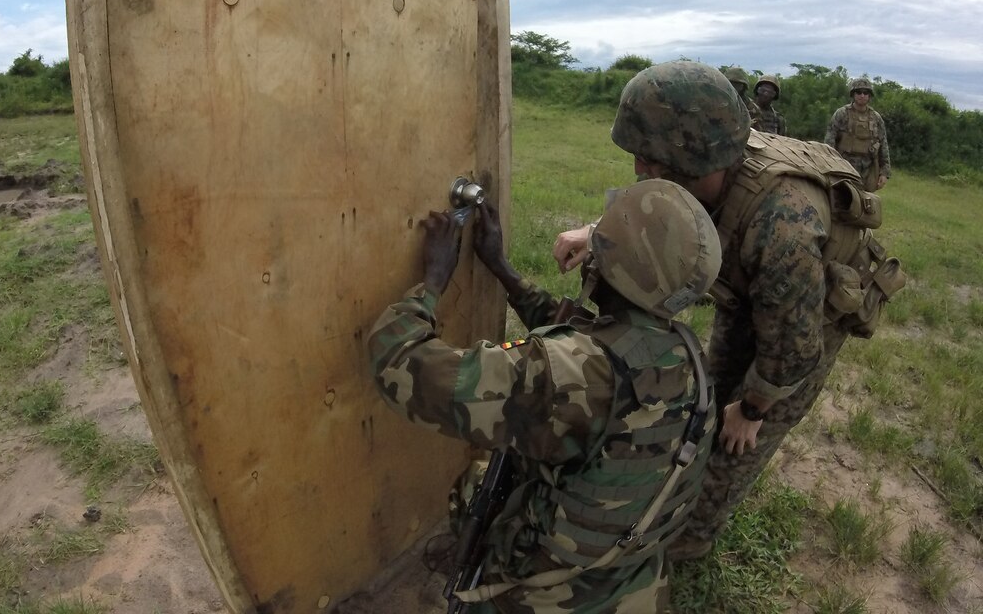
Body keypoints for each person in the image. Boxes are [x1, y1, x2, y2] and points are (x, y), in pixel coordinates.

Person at [551, 61, 894, 562]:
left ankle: (691, 540)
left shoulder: (783, 225)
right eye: (639, 156)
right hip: (749, 288)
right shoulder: (708, 162)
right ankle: (677, 496)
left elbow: (793, 349)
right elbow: (666, 202)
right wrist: (597, 230)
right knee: (710, 399)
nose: (640, 171)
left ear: (698, 155)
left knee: (738, 442)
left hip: (812, 316)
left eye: (652, 159)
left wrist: (753, 408)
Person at [368, 179, 722, 613]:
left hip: (550, 594)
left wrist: (432, 282)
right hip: (630, 582)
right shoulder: (688, 359)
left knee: (475, 486)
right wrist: (503, 271)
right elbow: (582, 340)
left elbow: (399, 363)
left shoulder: (568, 377)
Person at [825, 76, 891, 191]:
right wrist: (829, 164)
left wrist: (884, 173)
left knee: (867, 204)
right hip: (843, 166)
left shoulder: (876, 118)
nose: (862, 95)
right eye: (858, 92)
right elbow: (829, 141)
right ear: (853, 94)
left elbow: (883, 146)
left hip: (868, 169)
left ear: (869, 96)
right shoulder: (842, 114)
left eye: (865, 93)